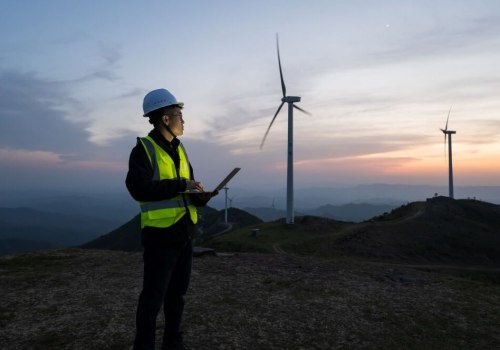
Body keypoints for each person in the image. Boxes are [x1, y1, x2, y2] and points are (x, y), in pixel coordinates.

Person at [126, 88, 215, 350]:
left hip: (185, 234)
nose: (183, 120)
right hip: (160, 236)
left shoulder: (180, 148)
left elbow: (184, 188)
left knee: (177, 296)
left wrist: (199, 196)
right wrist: (179, 184)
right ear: (165, 118)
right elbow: (138, 189)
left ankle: (173, 343)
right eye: (179, 114)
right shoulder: (144, 149)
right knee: (152, 300)